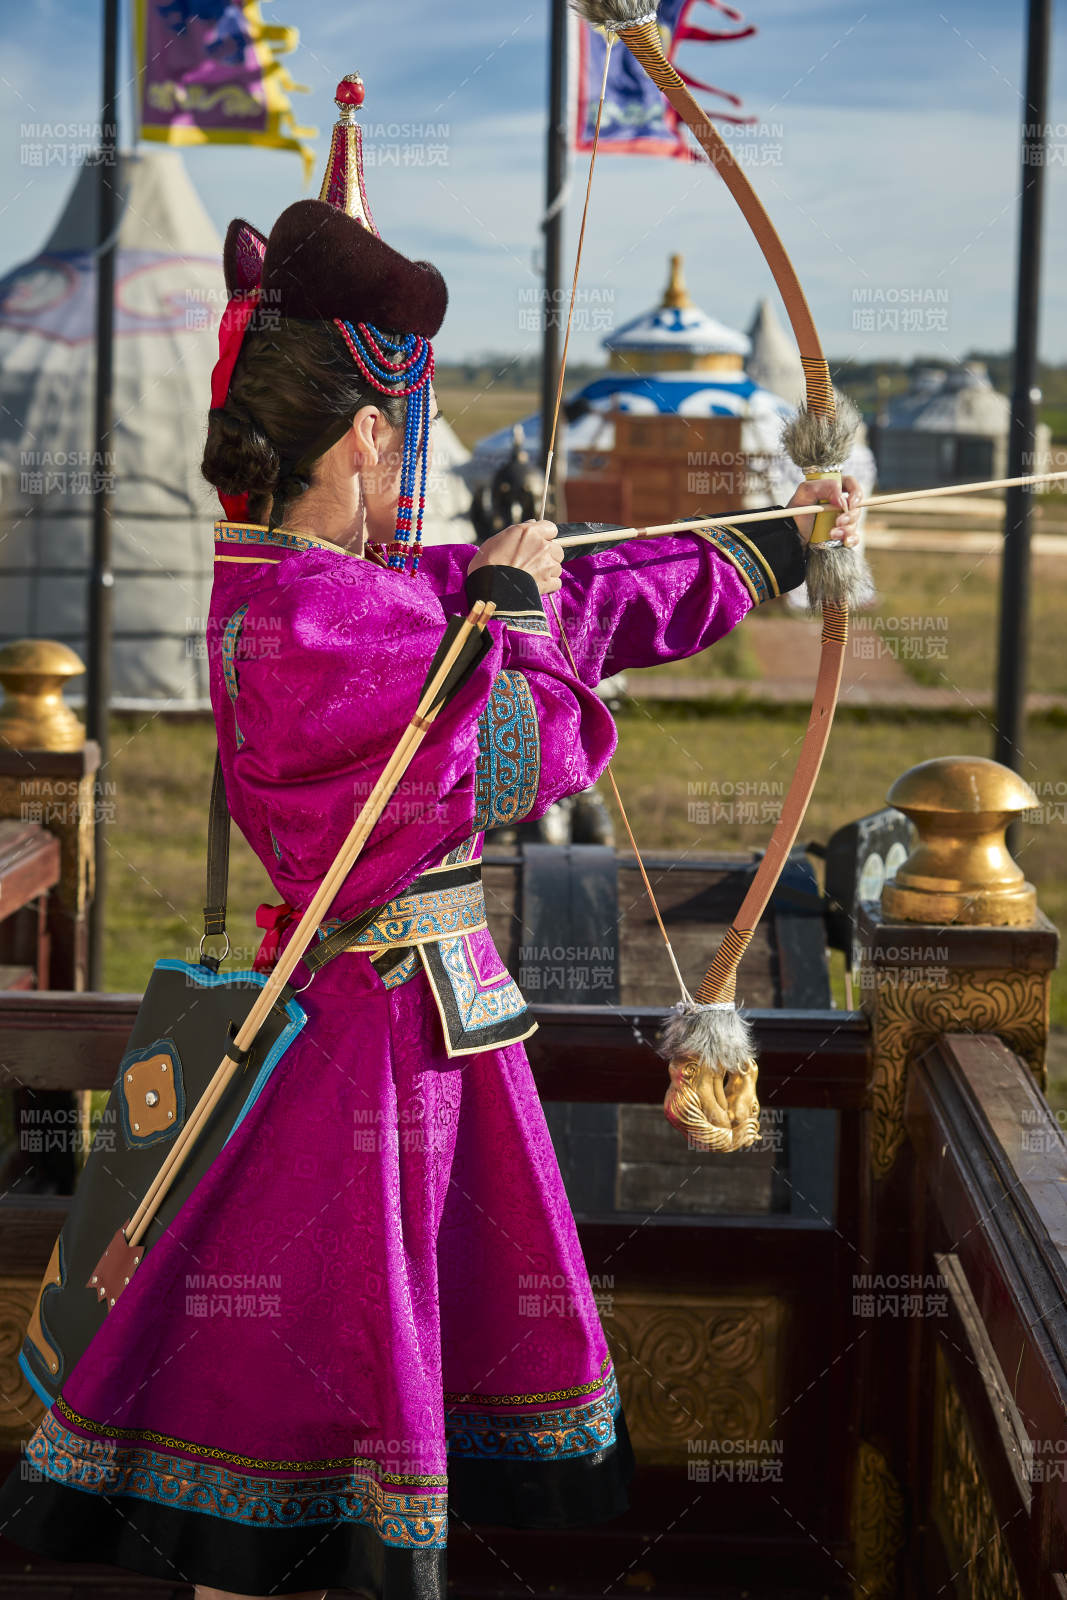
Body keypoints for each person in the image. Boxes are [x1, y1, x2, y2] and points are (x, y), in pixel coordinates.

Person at [0, 77, 861, 1600]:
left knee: (370, 1382)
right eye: (398, 436)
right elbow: (523, 749)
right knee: (308, 1412)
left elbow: (595, 601)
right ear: (352, 440)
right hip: (364, 1050)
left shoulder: (359, 585)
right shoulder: (299, 613)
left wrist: (786, 542)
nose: (408, 463)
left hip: (426, 1038)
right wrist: (511, 620)